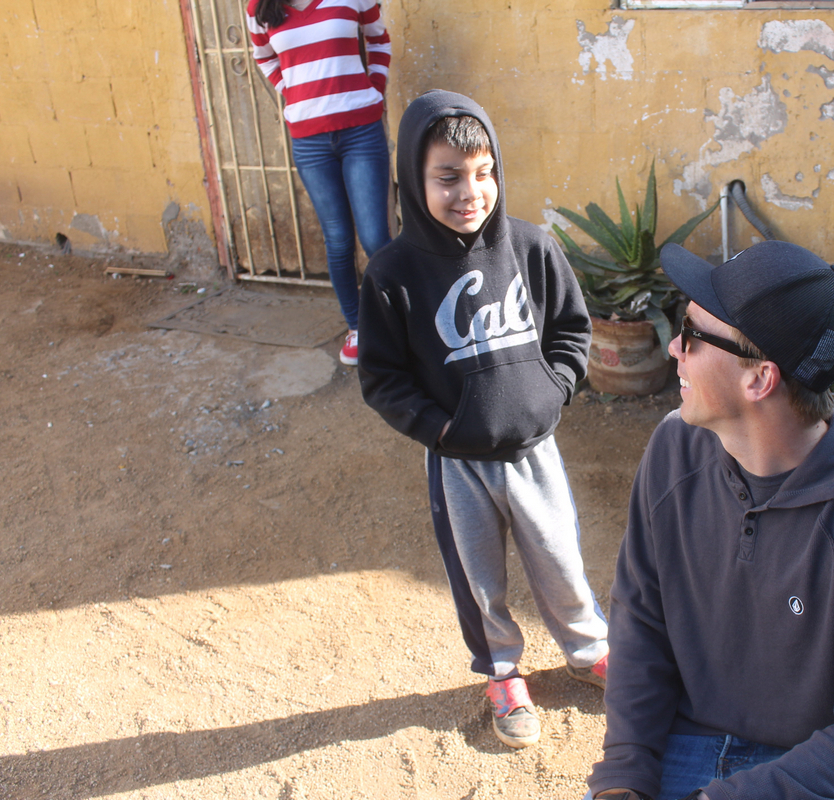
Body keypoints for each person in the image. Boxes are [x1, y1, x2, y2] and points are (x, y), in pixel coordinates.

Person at [586, 241, 834, 800]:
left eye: (692, 334)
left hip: (808, 765)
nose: (674, 346)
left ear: (759, 379)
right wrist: (624, 773)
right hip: (681, 739)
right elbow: (641, 618)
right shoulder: (675, 447)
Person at [356, 90, 609, 749]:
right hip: (459, 463)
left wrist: (553, 392)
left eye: (483, 172)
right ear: (412, 181)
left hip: (535, 452)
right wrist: (441, 430)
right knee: (478, 578)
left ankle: (589, 651)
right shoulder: (392, 275)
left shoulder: (532, 248)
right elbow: (382, 378)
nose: (470, 192)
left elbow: (572, 332)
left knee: (560, 556)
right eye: (447, 177)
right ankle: (502, 671)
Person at [246, 0, 393, 366]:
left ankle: (399, 324)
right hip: (309, 141)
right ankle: (357, 327)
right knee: (338, 239)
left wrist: (375, 88)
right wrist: (294, 93)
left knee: (375, 238)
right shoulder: (259, 8)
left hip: (361, 132)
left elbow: (378, 39)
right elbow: (264, 58)